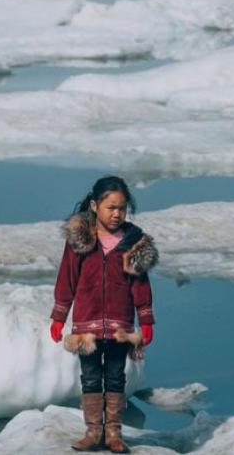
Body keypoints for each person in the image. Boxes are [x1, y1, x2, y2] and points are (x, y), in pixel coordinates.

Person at [49, 176, 158, 453]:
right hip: (87, 323)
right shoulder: (80, 239)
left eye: (121, 208)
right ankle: (93, 431)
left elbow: (140, 284)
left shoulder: (133, 242)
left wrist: (145, 319)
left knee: (115, 377)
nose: (116, 214)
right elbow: (66, 278)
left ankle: (113, 433)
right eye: (111, 207)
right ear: (95, 205)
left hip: (120, 325)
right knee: (90, 376)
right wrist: (59, 316)